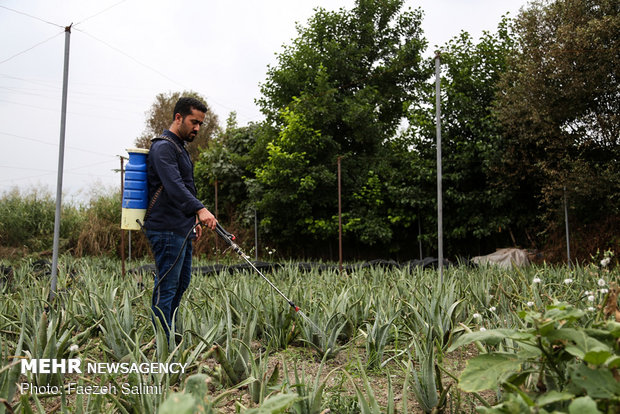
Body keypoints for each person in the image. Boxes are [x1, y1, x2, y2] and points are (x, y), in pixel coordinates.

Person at [144, 96, 217, 341]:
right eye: (193, 122)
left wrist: (193, 219)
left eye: (200, 124)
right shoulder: (163, 147)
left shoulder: (179, 149)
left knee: (182, 283)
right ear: (178, 118)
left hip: (180, 227)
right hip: (164, 228)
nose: (197, 128)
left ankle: (169, 334)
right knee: (167, 288)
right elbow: (174, 187)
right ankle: (163, 345)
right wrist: (200, 209)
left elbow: (185, 187)